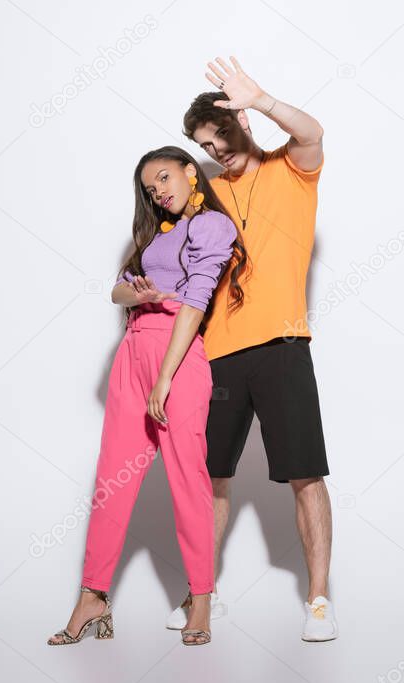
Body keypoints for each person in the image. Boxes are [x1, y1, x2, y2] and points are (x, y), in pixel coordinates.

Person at [164, 56, 337, 642]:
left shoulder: (292, 168)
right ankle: (198, 593)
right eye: (206, 143)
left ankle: (318, 599)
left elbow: (313, 132)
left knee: (305, 475)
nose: (219, 149)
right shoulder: (203, 196)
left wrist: (260, 98)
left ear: (242, 121)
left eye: (222, 134)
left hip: (283, 345)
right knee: (209, 478)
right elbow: (173, 260)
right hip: (216, 355)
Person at [48, 145, 246, 647]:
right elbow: (116, 290)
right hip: (131, 352)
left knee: (188, 482)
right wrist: (137, 293)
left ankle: (201, 600)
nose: (159, 191)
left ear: (189, 170)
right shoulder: (153, 235)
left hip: (175, 357)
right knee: (112, 481)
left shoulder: (212, 227)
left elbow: (196, 301)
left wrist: (164, 378)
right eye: (150, 187)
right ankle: (92, 597)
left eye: (164, 177)